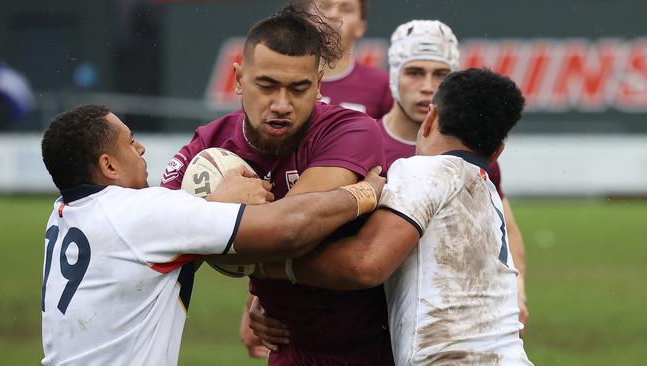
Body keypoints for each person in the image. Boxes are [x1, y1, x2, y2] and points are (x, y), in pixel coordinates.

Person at [40, 104, 384, 365]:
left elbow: (158, 252)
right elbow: (288, 229)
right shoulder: (141, 213)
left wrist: (214, 204)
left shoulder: (62, 214)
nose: (142, 148)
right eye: (131, 142)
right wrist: (362, 194)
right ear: (109, 166)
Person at [160, 4, 393, 365]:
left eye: (299, 89)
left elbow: (292, 230)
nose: (281, 104)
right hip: (288, 346)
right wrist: (213, 209)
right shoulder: (208, 145)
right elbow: (159, 243)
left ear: (318, 85)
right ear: (238, 79)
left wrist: (209, 232)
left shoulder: (351, 130)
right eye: (266, 86)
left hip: (374, 347)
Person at [257, 68, 533, 365]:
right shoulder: (488, 191)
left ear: (430, 119)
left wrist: (269, 264)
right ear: (497, 153)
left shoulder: (423, 171)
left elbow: (365, 264)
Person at [378, 20, 529, 331]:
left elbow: (506, 228)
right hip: (367, 322)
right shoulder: (360, 142)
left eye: (440, 75)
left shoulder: (473, 150)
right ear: (394, 76)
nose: (427, 86)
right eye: (415, 72)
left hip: (442, 327)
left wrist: (518, 287)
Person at [294, 0, 392, 118]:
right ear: (307, 19)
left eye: (346, 9)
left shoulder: (383, 86)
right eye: (324, 6)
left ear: (361, 27)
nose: (333, 15)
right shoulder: (283, 76)